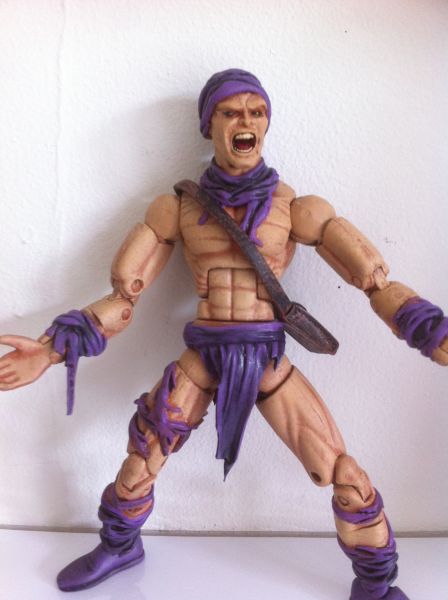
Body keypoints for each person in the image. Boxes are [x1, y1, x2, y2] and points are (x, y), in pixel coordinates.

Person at [0, 69, 446, 599]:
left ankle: (374, 581)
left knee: (344, 475)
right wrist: (49, 351)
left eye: (256, 112)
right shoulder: (177, 208)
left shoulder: (296, 208)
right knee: (141, 461)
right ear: (208, 124)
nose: (245, 121)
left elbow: (374, 281)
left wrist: (429, 330)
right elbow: (123, 298)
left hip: (267, 361)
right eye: (231, 112)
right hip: (204, 356)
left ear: (266, 124)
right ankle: (120, 546)